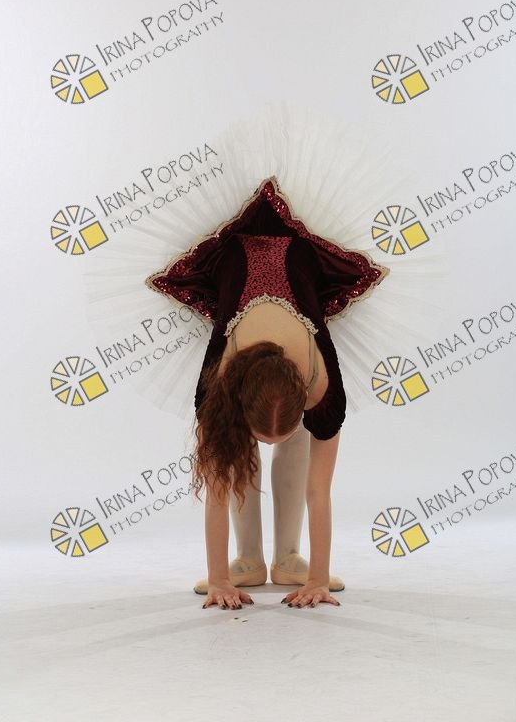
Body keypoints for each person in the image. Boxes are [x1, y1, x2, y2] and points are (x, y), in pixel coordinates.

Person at [147, 175, 390, 610]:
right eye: (262, 435)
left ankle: (289, 558)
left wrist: (318, 580)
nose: (268, 443)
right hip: (234, 263)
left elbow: (319, 491)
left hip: (299, 263)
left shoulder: (323, 385)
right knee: (232, 446)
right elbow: (217, 492)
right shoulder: (216, 383)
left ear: (306, 398)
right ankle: (247, 560)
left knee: (297, 447)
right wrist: (219, 580)